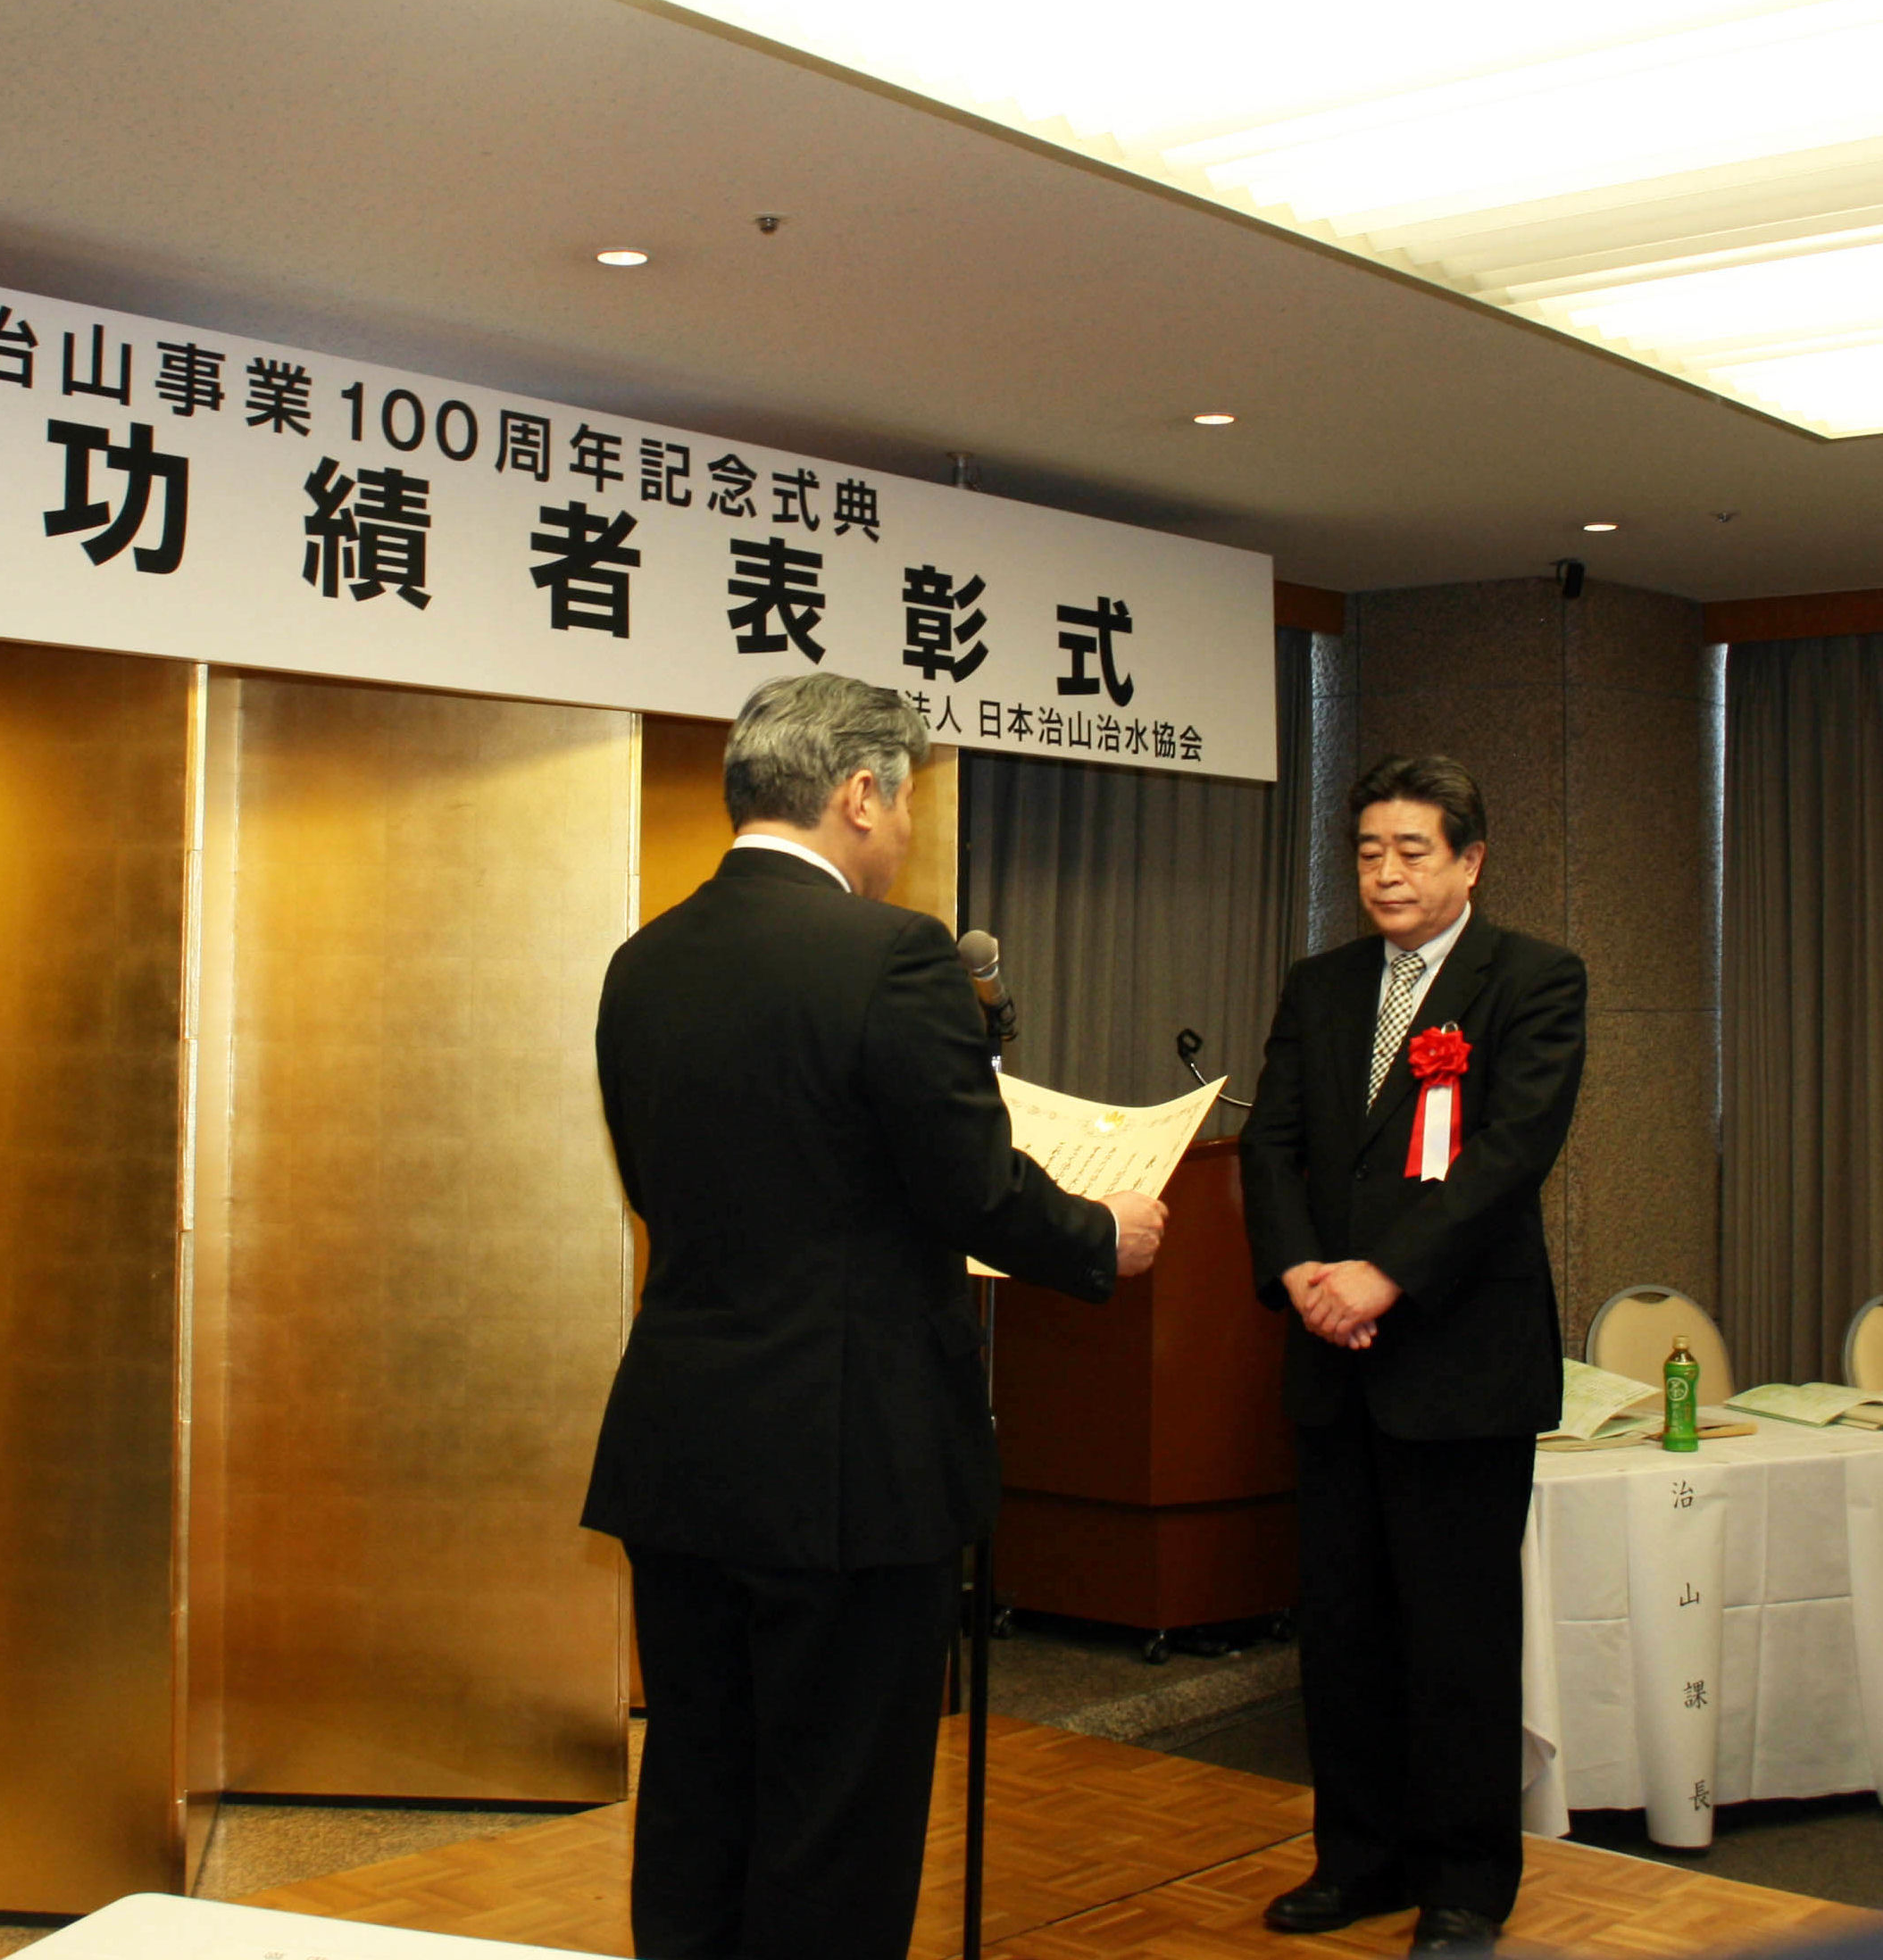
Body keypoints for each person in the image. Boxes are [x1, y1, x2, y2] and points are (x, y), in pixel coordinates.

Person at [583, 671, 1168, 1960]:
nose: (904, 832)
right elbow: (973, 1188)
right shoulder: (893, 953)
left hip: (684, 1449)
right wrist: (1100, 1232)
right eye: (904, 803)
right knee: (836, 1817)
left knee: (698, 1789)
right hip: (850, 1464)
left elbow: (668, 1187)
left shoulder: (643, 960)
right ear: (859, 793)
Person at [1239, 755, 1587, 1957]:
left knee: (1457, 1637)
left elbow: (1510, 1154)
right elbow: (1271, 1145)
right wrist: (1300, 1273)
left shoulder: (1532, 978)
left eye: (1412, 850)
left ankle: (1465, 1882)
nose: (1385, 873)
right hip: (1333, 1362)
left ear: (1470, 860)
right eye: (1368, 851)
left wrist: (1384, 1275)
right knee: (1343, 1627)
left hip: (1461, 1363)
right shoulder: (1322, 983)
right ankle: (1358, 1858)